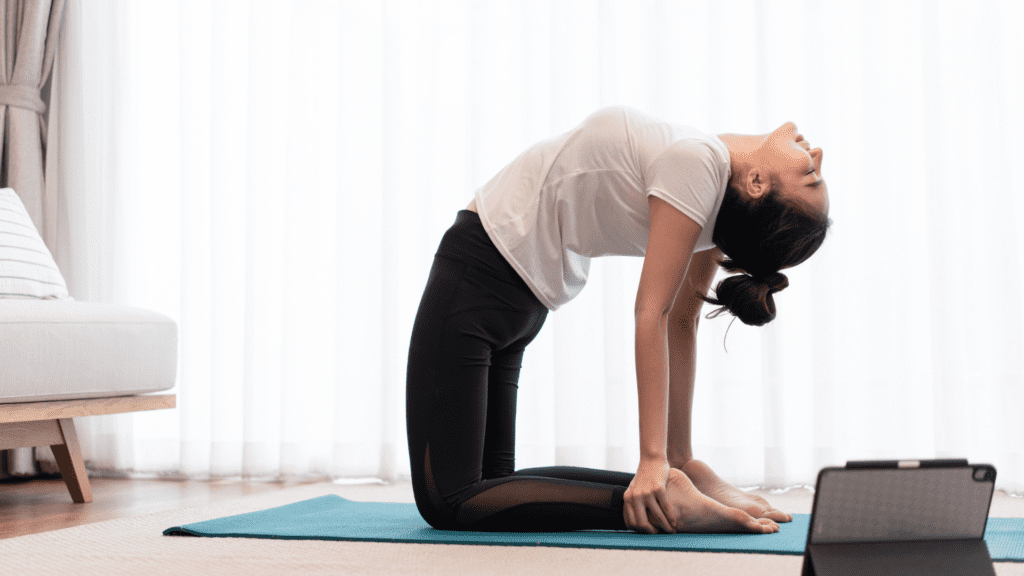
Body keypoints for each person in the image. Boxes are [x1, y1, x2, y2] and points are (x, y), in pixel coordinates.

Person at [405, 105, 831, 534]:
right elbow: (682, 321)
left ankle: (658, 500)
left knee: (448, 500)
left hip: (482, 271)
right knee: (488, 489)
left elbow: (655, 313)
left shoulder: (698, 162)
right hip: (518, 294)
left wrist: (654, 462)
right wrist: (677, 458)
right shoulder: (715, 195)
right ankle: (675, 486)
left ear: (756, 183)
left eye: (810, 176)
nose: (816, 155)